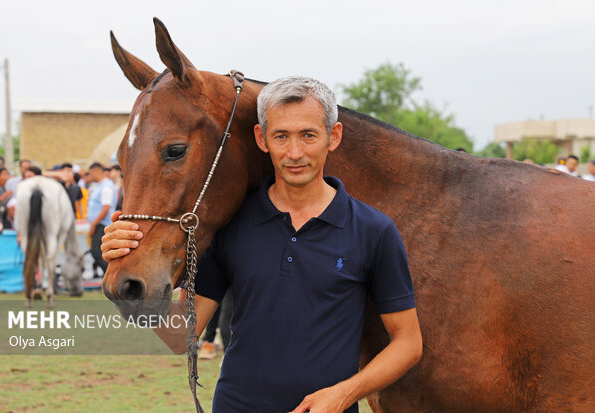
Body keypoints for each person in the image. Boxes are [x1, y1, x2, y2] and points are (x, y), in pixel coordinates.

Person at [101, 76, 422, 412]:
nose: (294, 152)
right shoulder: (231, 224)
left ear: (333, 136)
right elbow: (180, 336)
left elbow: (408, 343)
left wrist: (344, 393)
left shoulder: (373, 230)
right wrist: (130, 277)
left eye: (308, 135)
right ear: (262, 138)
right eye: (281, 136)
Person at [87, 162, 117, 276]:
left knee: (98, 253)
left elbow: (106, 208)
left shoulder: (106, 187)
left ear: (95, 171)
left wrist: (94, 224)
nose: (89, 176)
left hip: (102, 225)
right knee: (98, 253)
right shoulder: (101, 185)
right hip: (100, 224)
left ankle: (111, 276)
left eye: (90, 173)